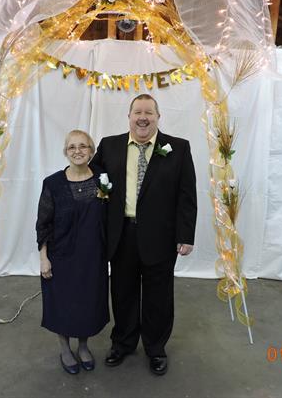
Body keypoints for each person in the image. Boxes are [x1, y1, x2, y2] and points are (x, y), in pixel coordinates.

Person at [91, 94, 197, 375]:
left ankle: (155, 347)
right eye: (137, 111)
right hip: (121, 234)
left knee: (158, 296)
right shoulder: (109, 145)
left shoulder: (178, 148)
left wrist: (185, 235)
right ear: (128, 116)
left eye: (149, 112)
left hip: (161, 237)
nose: (143, 117)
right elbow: (93, 179)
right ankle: (123, 343)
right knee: (122, 292)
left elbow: (187, 197)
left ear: (158, 117)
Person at [35, 130, 109, 375]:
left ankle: (84, 345)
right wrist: (44, 258)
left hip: (92, 258)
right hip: (62, 257)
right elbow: (43, 224)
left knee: (89, 303)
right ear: (66, 152)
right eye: (72, 147)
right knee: (63, 305)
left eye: (83, 146)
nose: (78, 151)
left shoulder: (102, 179)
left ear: (91, 151)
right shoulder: (53, 183)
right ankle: (65, 348)